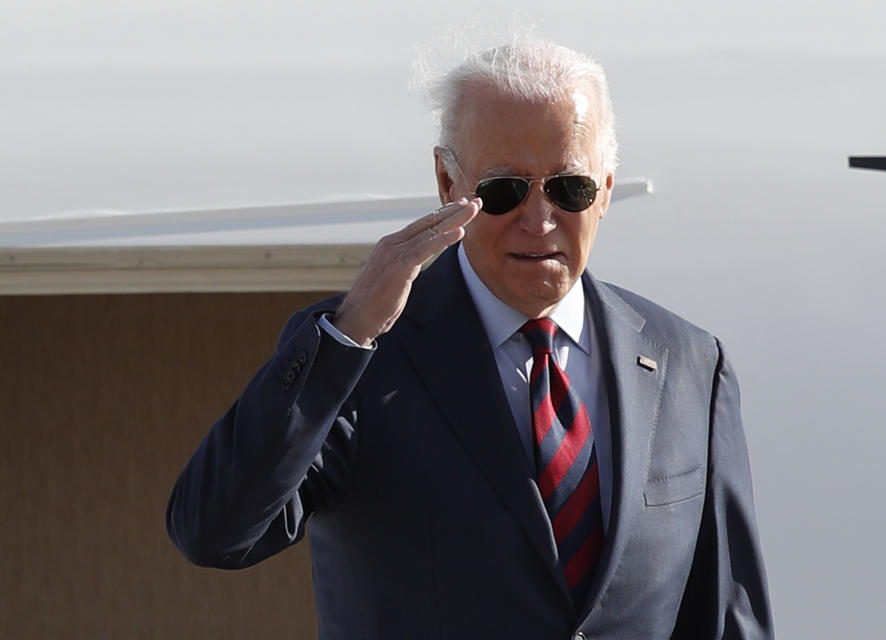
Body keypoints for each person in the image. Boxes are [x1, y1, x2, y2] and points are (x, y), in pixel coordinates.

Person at [167, 38, 773, 639]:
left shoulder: (689, 364)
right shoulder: (360, 356)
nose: (539, 221)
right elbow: (213, 531)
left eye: (569, 188)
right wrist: (349, 334)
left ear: (607, 190)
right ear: (446, 181)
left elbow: (728, 616)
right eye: (505, 189)